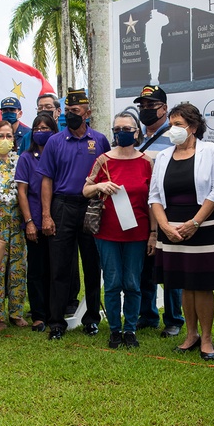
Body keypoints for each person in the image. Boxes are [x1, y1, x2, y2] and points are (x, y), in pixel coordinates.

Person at [149, 102, 214, 360]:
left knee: (202, 284)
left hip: (204, 226)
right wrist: (164, 226)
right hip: (172, 228)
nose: (173, 130)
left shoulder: (210, 150)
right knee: (185, 284)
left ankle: (206, 339)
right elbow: (154, 195)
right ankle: (191, 334)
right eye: (171, 125)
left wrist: (195, 222)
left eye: (178, 125)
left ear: (194, 127)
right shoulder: (163, 156)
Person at [39, 88, 111, 340]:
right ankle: (56, 322)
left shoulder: (100, 140)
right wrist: (46, 215)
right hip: (62, 206)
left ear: (87, 113)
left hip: (90, 206)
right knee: (59, 266)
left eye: (76, 111)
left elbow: (107, 176)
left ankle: (92, 318)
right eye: (67, 111)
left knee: (93, 265)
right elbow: (46, 180)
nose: (71, 115)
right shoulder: (55, 141)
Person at [83, 112, 154, 349]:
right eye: (117, 129)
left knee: (133, 283)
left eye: (127, 128)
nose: (121, 132)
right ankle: (114, 329)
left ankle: (130, 329)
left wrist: (153, 233)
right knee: (113, 282)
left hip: (137, 232)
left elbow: (153, 201)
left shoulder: (146, 162)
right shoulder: (104, 160)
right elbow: (85, 189)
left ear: (137, 131)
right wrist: (100, 185)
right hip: (107, 232)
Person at [133, 84, 182, 337]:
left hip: (168, 210)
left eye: (151, 106)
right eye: (142, 106)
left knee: (170, 266)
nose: (145, 110)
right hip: (140, 213)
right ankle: (148, 315)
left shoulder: (175, 136)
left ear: (164, 108)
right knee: (145, 266)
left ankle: (174, 318)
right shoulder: (135, 135)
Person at [16, 113, 59, 332]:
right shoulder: (26, 157)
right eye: (37, 128)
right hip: (33, 220)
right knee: (36, 269)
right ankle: (38, 315)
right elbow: (22, 193)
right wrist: (29, 222)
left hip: (58, 220)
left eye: (46, 128)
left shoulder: (59, 154)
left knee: (56, 269)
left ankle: (55, 313)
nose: (41, 132)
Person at [0, 119, 28, 330]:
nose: (4, 140)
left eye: (9, 136)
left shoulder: (20, 161)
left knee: (18, 269)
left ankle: (16, 313)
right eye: (0, 136)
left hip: (17, 223)